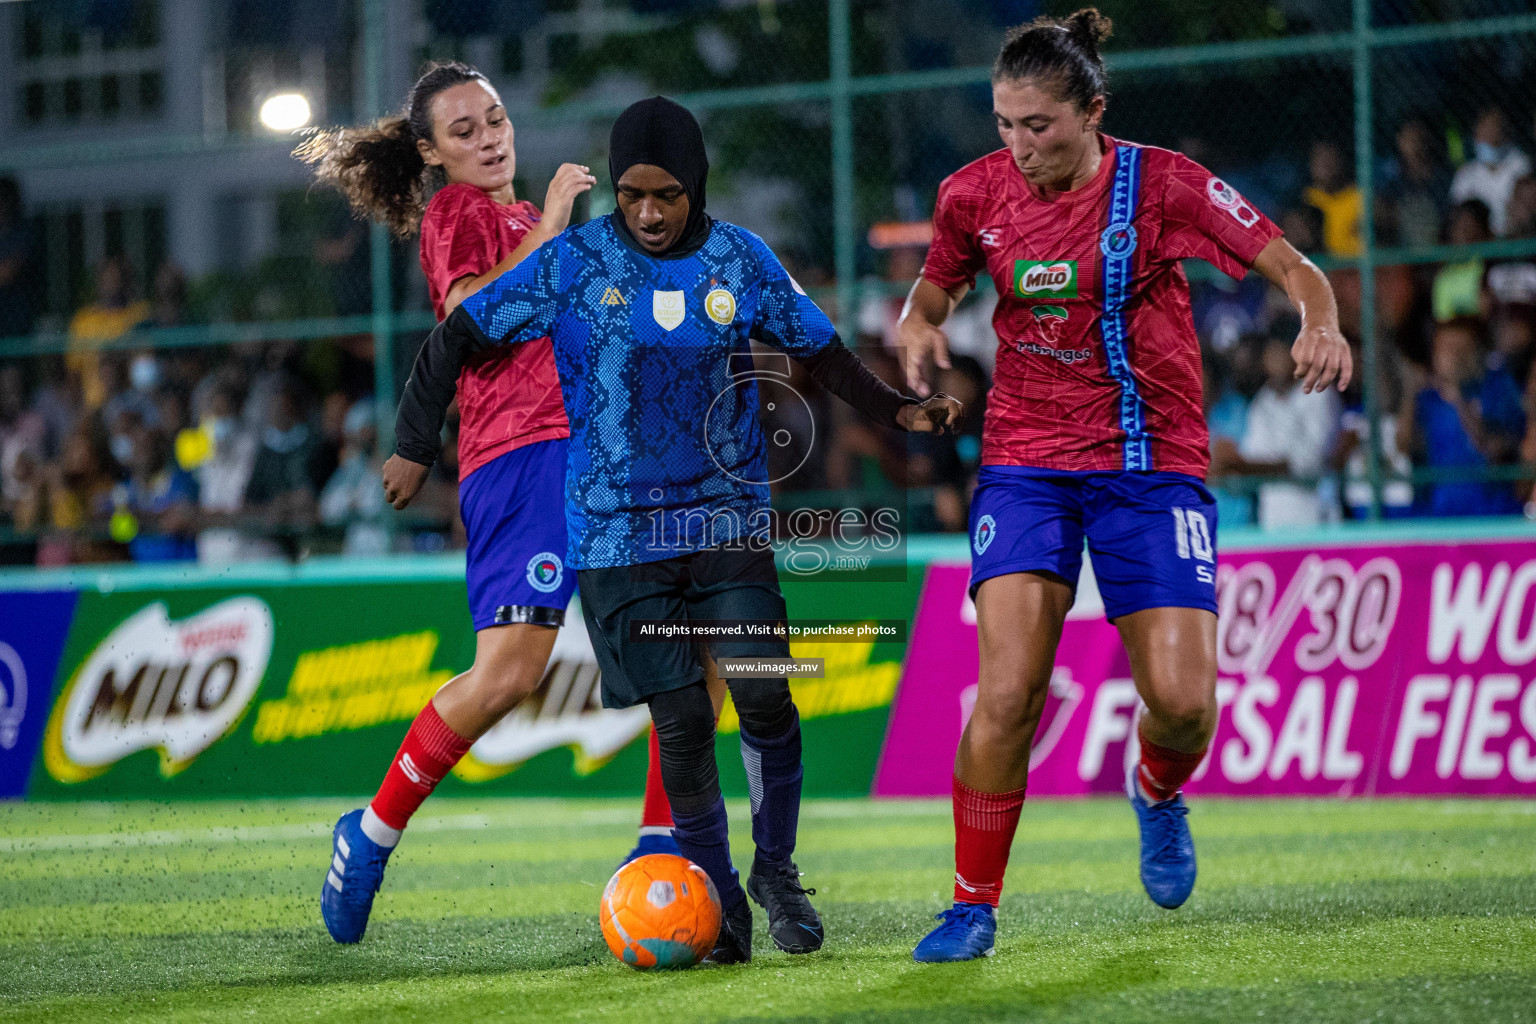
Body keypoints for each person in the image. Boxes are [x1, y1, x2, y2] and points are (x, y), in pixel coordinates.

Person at [386, 96, 960, 963]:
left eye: (665, 195)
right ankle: (720, 895)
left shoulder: (742, 258)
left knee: (765, 690)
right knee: (684, 720)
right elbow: (454, 339)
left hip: (728, 517)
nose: (647, 213)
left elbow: (825, 351)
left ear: (697, 187)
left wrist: (899, 413)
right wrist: (412, 446)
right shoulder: (574, 260)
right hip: (617, 536)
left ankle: (777, 873)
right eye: (630, 195)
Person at [896, 9, 1350, 962]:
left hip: (1151, 466)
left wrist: (1322, 321)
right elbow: (933, 291)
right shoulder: (971, 195)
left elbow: (1295, 268)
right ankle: (971, 904)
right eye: (1004, 123)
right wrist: (920, 328)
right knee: (1009, 693)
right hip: (1026, 463)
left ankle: (1154, 787)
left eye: (1040, 126)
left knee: (1185, 704)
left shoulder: (1166, 186)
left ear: (1093, 111)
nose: (1018, 147)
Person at [300, 61, 683, 945]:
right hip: (522, 459)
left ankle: (666, 847)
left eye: (496, 118)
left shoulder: (543, 228)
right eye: (464, 130)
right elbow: (470, 308)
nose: (490, 136)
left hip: (604, 454)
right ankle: (373, 829)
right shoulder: (457, 216)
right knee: (511, 673)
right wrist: (551, 224)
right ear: (432, 153)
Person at [1397, 317, 1525, 517]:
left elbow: (1491, 448)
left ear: (1478, 353)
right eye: (1446, 349)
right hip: (1437, 515)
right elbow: (1404, 447)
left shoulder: (1498, 389)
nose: (1454, 357)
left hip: (1491, 514)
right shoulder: (1425, 399)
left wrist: (1457, 397)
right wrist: (1410, 392)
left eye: (1462, 349)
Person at [1217, 330, 1341, 529]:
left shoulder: (1320, 393)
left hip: (1316, 519)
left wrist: (1242, 465)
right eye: (1271, 354)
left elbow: (1309, 463)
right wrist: (1233, 463)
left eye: (1281, 352)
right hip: (1273, 522)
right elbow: (1254, 455)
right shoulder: (1263, 402)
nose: (1275, 360)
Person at [1449, 108, 1530, 237]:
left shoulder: (1521, 164)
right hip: (1479, 239)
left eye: (1496, 128)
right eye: (1486, 129)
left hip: (1513, 236)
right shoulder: (1465, 174)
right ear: (1476, 132)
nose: (1492, 135)